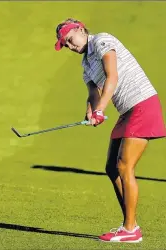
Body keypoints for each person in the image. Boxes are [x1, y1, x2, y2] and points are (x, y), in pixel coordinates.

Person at [54, 18, 166, 243]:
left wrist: (101, 109)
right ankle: (130, 226)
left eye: (70, 40)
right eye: (65, 45)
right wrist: (91, 109)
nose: (70, 46)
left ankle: (130, 229)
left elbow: (111, 76)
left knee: (124, 166)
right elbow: (93, 93)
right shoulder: (86, 63)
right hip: (128, 111)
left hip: (142, 104)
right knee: (111, 168)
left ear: (81, 29)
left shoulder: (102, 41)